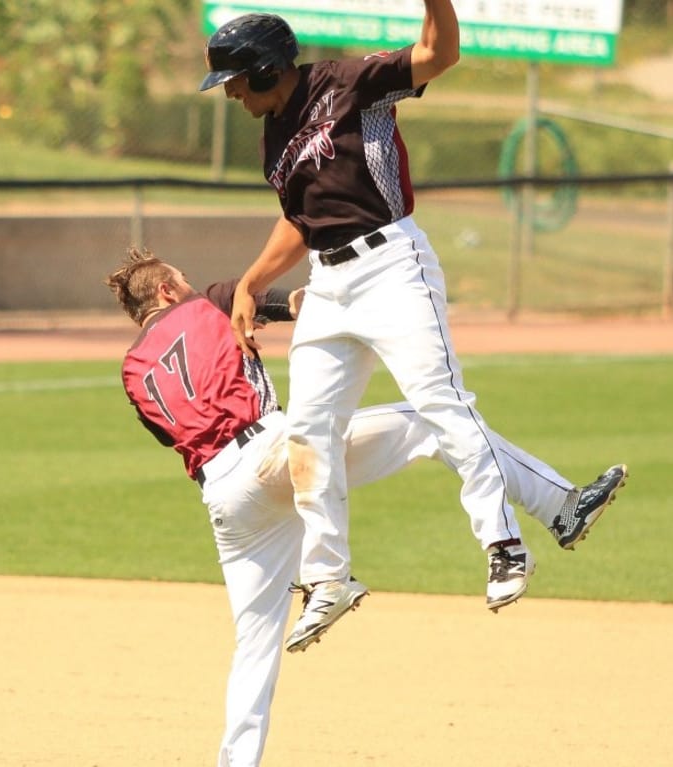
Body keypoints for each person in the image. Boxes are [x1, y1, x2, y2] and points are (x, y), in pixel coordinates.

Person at [197, 7, 628, 635]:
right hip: (329, 281)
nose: (230, 92)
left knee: (441, 404)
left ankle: (503, 544)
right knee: (310, 432)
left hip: (391, 265)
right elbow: (301, 216)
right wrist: (254, 281)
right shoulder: (273, 131)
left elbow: (438, 54)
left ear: (266, 67)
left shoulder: (350, 81)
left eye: (235, 78)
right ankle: (328, 578)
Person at [107, 249, 624, 767]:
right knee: (431, 421)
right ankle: (560, 506)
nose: (192, 286)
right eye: (183, 279)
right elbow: (285, 303)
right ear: (168, 291)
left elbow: (168, 432)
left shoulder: (133, 369)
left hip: (224, 496)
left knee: (254, 645)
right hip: (275, 451)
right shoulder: (214, 302)